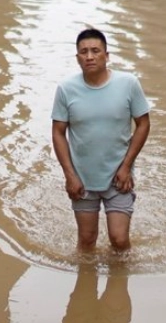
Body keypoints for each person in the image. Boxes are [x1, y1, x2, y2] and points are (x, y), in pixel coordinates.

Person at [51, 29, 151, 253]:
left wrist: (126, 167)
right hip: (82, 179)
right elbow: (58, 132)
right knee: (87, 241)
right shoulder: (66, 89)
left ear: (107, 55)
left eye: (95, 51)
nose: (89, 56)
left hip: (119, 177)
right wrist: (69, 175)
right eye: (83, 52)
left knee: (119, 240)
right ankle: (85, 284)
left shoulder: (128, 84)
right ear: (77, 57)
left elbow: (143, 124)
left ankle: (120, 283)